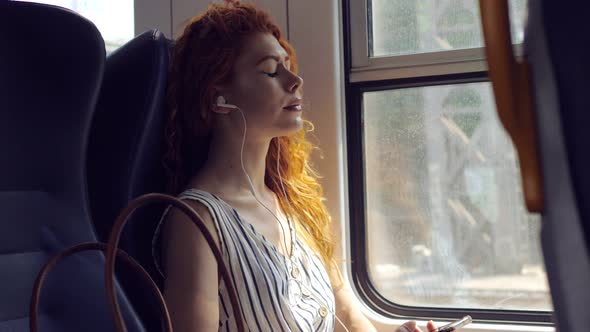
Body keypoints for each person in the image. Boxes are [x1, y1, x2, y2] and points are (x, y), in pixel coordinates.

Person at [155, 2, 441, 331]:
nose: (295, 80)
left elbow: (348, 318)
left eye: (289, 66)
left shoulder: (293, 206)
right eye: (271, 71)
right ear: (218, 96)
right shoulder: (197, 222)